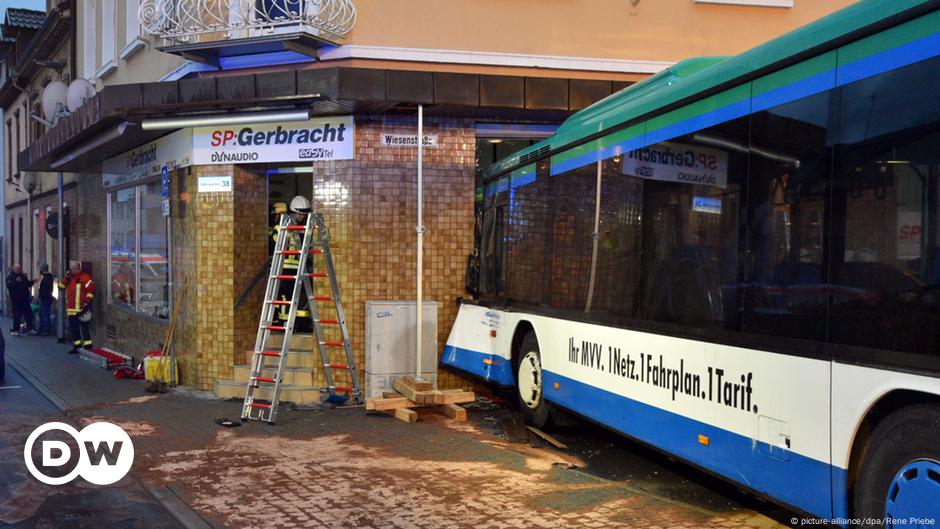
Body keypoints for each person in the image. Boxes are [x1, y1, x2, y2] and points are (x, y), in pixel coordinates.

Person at [275, 195, 313, 333]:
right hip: (284, 268)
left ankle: (298, 323)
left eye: (304, 214)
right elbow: (276, 238)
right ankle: (284, 323)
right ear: (293, 212)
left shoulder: (305, 226)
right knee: (285, 297)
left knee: (298, 297)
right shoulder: (283, 225)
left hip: (299, 268)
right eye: (299, 214)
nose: (302, 217)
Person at [58, 261, 95, 353]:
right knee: (74, 329)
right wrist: (66, 277)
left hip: (82, 309)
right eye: (71, 269)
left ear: (79, 269)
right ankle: (77, 347)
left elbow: (91, 289)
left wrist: (87, 301)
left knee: (84, 328)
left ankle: (88, 347)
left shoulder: (85, 277)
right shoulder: (69, 278)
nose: (72, 270)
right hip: (71, 310)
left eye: (74, 268)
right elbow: (60, 287)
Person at [6, 264, 36, 335]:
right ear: (13, 269)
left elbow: (28, 284)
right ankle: (16, 330)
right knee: (17, 316)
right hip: (16, 300)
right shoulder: (10, 277)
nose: (19, 270)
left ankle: (30, 329)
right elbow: (10, 286)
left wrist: (32, 281)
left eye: (20, 269)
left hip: (25, 299)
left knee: (29, 314)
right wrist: (16, 281)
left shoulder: (23, 277)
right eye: (17, 269)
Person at [37, 263, 55, 336]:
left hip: (46, 298)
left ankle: (47, 330)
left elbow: (46, 289)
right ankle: (41, 329)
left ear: (42, 269)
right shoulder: (44, 277)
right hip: (44, 298)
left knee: (45, 314)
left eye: (40, 268)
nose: (39, 270)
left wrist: (42, 297)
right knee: (42, 314)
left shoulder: (46, 277)